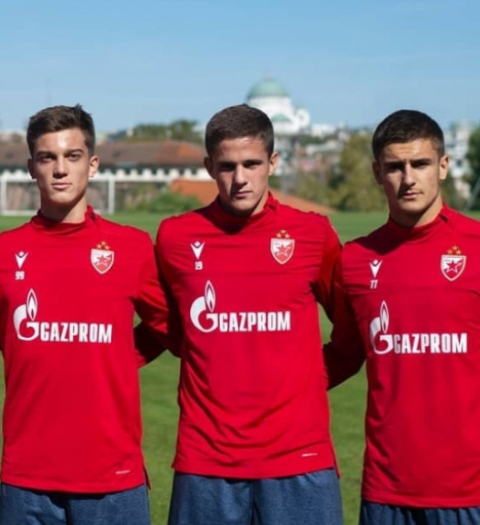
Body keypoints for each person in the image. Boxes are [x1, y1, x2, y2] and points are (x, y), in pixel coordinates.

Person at [325, 109, 480, 525]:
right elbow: (343, 356)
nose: (408, 178)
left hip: (477, 494)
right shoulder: (356, 259)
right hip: (386, 491)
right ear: (378, 173)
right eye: (395, 167)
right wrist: (258, 386)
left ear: (444, 166)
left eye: (420, 164)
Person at [0, 104, 169, 525]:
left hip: (113, 476)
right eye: (47, 157)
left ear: (92, 164)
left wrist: (120, 355)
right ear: (31, 168)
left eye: (72, 156)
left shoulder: (131, 249)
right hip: (27, 478)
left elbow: (170, 327)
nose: (60, 169)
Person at [155, 104, 345, 525]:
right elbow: (168, 325)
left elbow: (353, 333)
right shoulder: (175, 238)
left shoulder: (313, 234)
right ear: (209, 166)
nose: (239, 178)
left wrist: (308, 381)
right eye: (227, 166)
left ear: (272, 163)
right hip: (206, 462)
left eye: (252, 164)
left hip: (300, 458)